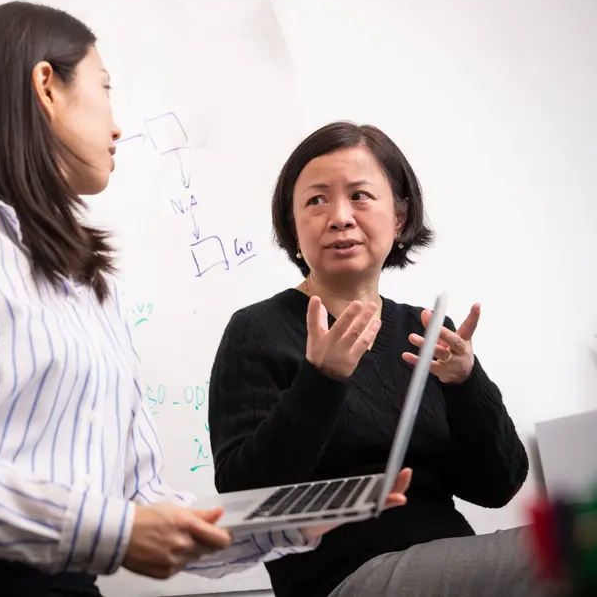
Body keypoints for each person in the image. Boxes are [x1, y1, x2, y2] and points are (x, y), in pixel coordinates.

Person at [0, 4, 412, 597]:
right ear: (47, 88)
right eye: (105, 90)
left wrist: (282, 526)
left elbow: (141, 498)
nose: (117, 127)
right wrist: (111, 531)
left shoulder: (93, 280)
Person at [207, 121, 536, 597]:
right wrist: (321, 380)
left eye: (360, 195)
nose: (340, 217)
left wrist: (466, 384)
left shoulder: (424, 333)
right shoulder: (258, 331)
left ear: (399, 218)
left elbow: (497, 486)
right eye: (316, 200)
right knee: (568, 548)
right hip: (343, 577)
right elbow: (247, 499)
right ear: (293, 226)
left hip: (446, 561)